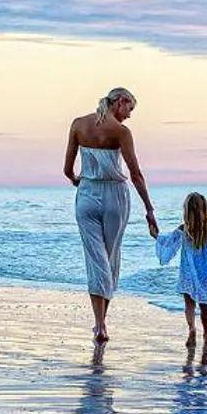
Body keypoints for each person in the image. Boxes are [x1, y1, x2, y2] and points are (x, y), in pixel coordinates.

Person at [63, 87, 157, 342]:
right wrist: (149, 209)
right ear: (120, 101)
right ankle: (102, 323)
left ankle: (99, 324)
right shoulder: (121, 132)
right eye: (129, 109)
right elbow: (136, 175)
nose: (129, 116)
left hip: (87, 194)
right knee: (110, 258)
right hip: (115, 196)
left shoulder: (78, 124)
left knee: (96, 260)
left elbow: (67, 169)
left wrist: (77, 180)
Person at [155, 191, 207, 347]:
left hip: (187, 273)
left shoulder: (184, 229)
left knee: (189, 304)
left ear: (187, 211)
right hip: (205, 274)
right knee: (204, 305)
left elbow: (168, 243)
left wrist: (155, 233)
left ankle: (192, 329)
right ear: (205, 210)